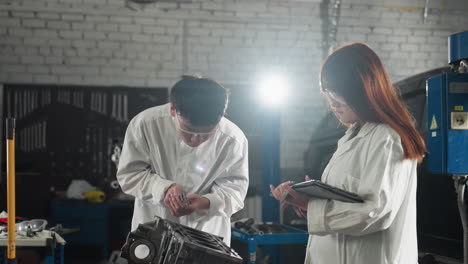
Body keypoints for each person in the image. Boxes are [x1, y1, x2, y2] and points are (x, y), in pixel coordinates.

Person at [270, 43, 426, 263]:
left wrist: (313, 207)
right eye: (327, 94)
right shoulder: (351, 135)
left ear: (362, 89)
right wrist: (311, 196)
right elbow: (349, 200)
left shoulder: (386, 138)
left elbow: (375, 212)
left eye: (337, 94)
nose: (332, 104)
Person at [117, 75, 249, 245]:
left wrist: (206, 202)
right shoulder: (145, 124)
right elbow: (129, 175)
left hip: (207, 236)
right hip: (153, 232)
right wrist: (165, 189)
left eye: (205, 134)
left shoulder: (233, 139)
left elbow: (235, 190)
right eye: (188, 130)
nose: (195, 140)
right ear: (173, 110)